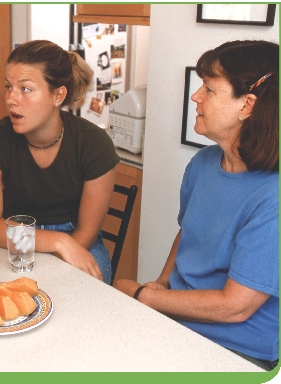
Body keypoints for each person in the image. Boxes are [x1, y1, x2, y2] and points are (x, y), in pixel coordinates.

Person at [115, 40, 279, 370]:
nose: (195, 96)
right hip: (177, 319)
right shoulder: (203, 163)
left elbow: (236, 306)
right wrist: (161, 282)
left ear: (247, 105)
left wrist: (142, 295)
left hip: (236, 348)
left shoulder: (272, 197)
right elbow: (188, 233)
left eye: (209, 88)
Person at [0, 40, 120, 284]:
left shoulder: (94, 144)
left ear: (58, 95)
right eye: (9, 87)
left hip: (78, 238)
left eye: (26, 89)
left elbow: (86, 231)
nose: (11, 99)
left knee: (79, 298)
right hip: (13, 238)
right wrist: (55, 241)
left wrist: (64, 245)